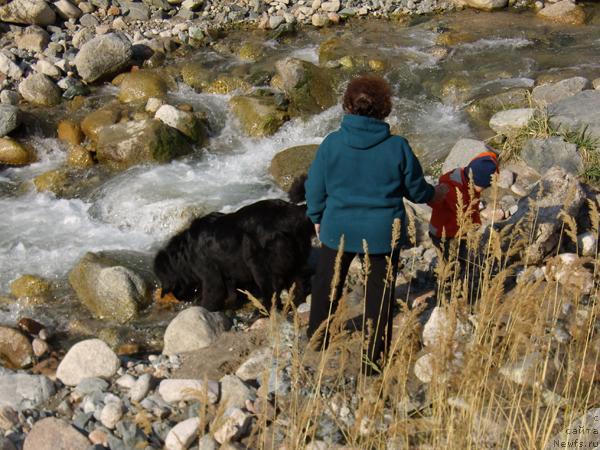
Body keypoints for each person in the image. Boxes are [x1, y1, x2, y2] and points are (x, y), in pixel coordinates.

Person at [304, 75, 447, 375]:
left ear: (347, 106)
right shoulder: (397, 147)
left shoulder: (331, 144)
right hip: (382, 234)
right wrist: (438, 194)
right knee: (378, 293)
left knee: (326, 284)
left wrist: (317, 218)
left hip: (337, 229)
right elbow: (417, 190)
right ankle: (373, 359)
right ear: (385, 109)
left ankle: (317, 338)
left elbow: (315, 188)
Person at [428, 150, 499, 302]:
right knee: (450, 265)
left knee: (459, 260)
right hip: (445, 233)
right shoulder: (451, 188)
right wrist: (472, 225)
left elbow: (489, 157)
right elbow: (462, 214)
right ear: (474, 181)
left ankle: (455, 287)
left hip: (456, 231)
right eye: (484, 187)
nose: (485, 190)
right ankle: (444, 296)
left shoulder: (467, 174)